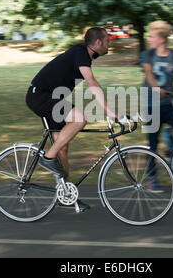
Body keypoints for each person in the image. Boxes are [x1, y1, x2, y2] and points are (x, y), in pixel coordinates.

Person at [26, 27, 119, 210]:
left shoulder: (82, 55)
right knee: (79, 119)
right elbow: (91, 82)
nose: (109, 43)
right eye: (107, 40)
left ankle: (65, 194)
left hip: (51, 97)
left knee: (62, 146)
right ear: (98, 42)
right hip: (41, 96)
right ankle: (48, 157)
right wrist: (109, 111)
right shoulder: (80, 53)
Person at [140, 20, 173, 192]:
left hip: (168, 104)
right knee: (153, 143)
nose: (149, 39)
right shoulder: (147, 55)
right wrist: (157, 89)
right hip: (151, 105)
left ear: (161, 39)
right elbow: (149, 75)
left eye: (152, 36)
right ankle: (151, 179)